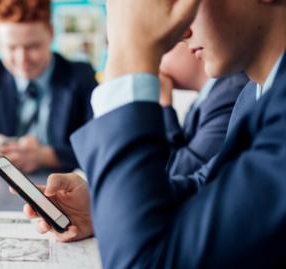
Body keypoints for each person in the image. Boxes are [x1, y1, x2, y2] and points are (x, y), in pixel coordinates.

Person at [21, 0, 286, 267]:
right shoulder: (252, 96)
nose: (182, 33)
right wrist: (104, 207)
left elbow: (145, 263)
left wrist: (131, 54)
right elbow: (205, 186)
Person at [0, 0, 97, 174]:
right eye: (11, 47)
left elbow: (100, 147)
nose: (22, 59)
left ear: (50, 33)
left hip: (64, 191)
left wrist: (45, 156)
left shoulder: (81, 76)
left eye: (33, 46)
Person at [159, 42, 248, 177]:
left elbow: (176, 174)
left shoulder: (231, 93)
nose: (155, 67)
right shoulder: (200, 104)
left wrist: (163, 106)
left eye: (160, 51)